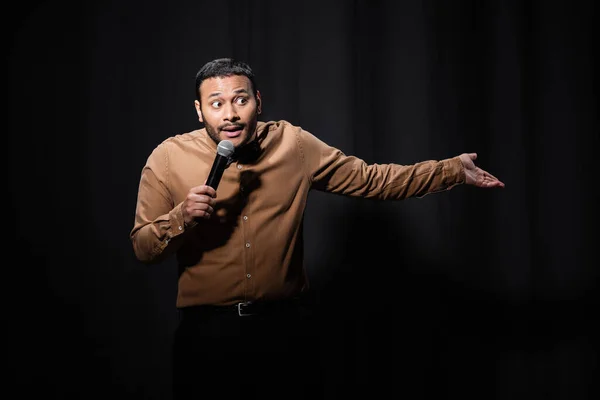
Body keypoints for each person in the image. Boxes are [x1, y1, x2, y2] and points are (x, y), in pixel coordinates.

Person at [130, 57, 505, 400]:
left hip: (283, 332)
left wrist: (453, 170)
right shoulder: (168, 159)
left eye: (240, 100)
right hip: (208, 337)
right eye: (216, 104)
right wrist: (181, 217)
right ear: (199, 111)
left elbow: (371, 180)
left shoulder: (292, 144)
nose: (230, 114)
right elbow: (143, 247)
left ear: (258, 101)